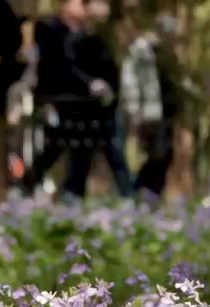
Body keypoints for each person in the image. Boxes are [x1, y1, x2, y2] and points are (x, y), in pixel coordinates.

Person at [22, 0, 110, 201]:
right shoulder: (50, 30)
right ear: (64, 6)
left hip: (82, 102)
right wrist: (88, 83)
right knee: (54, 145)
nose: (82, 8)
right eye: (78, 3)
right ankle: (29, 182)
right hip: (56, 98)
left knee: (82, 148)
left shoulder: (83, 35)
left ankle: (73, 192)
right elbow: (58, 67)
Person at [121, 12, 182, 201]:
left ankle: (153, 194)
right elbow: (130, 79)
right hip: (148, 112)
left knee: (167, 155)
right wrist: (134, 110)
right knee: (157, 153)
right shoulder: (142, 49)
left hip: (166, 112)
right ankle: (139, 190)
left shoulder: (168, 53)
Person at [77, 0, 133, 198]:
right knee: (81, 159)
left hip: (108, 107)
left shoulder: (111, 35)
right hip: (86, 108)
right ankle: (72, 196)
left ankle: (129, 198)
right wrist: (91, 84)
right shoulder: (79, 38)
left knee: (116, 156)